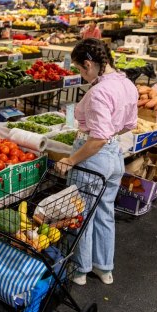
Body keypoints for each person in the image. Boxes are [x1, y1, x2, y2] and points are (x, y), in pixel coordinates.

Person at [55, 38, 138, 286]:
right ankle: (104, 268)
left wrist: (71, 159)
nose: (81, 75)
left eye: (80, 69)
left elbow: (98, 139)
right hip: (115, 157)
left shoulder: (99, 92)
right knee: (104, 212)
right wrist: (108, 133)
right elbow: (129, 125)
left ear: (89, 64)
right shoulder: (127, 84)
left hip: (93, 159)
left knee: (81, 214)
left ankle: (80, 270)